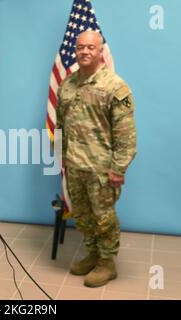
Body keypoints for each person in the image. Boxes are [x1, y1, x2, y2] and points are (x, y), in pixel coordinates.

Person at [56, 31, 136, 287]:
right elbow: (60, 125)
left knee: (104, 218)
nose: (85, 52)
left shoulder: (115, 87)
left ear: (101, 51)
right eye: (80, 47)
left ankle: (107, 262)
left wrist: (118, 167)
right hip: (75, 165)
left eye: (91, 47)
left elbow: (125, 133)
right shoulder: (67, 85)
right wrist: (62, 155)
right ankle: (93, 253)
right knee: (82, 215)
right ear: (75, 51)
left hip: (102, 169)